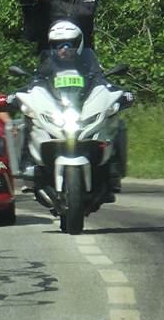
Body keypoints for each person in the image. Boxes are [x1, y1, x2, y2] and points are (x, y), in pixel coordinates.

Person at [31, 20, 127, 195]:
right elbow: (35, 84)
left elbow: (101, 81)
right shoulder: (47, 66)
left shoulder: (87, 64)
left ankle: (114, 169)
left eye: (70, 44)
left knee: (115, 122)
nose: (64, 49)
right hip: (58, 112)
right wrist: (21, 95)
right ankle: (29, 166)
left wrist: (119, 93)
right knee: (28, 119)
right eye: (58, 45)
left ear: (79, 44)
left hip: (82, 110)